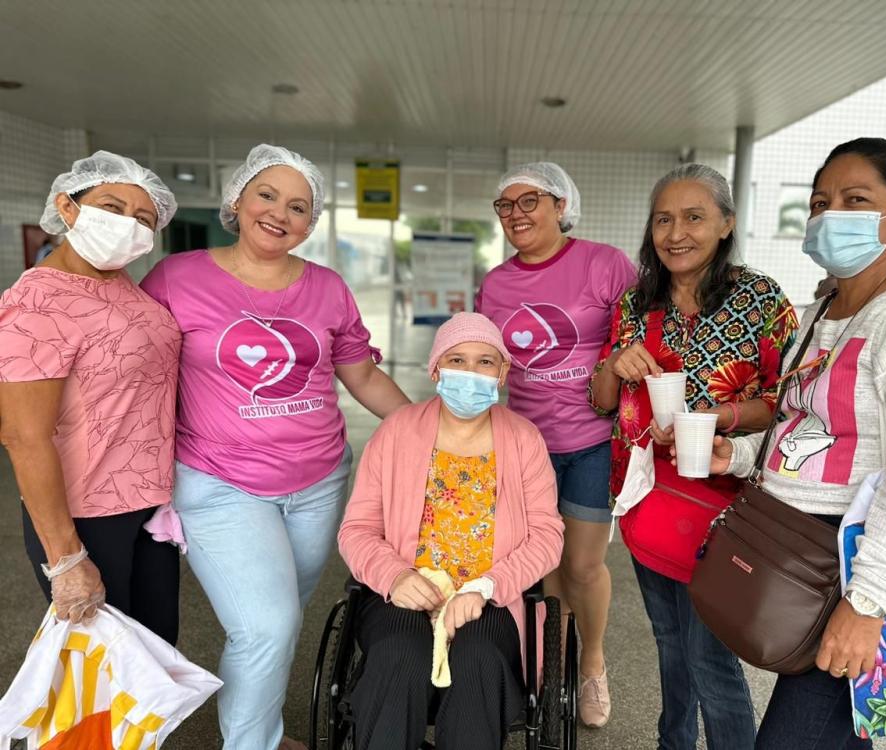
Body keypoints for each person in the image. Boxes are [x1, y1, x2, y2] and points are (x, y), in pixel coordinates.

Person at [701, 138, 886, 749]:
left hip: (856, 565)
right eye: (820, 202)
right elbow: (804, 423)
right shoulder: (817, 312)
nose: (831, 216)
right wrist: (744, 454)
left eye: (856, 200)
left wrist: (868, 603)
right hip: (800, 554)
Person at [140, 144, 410, 750]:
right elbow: (141, 373)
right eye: (267, 195)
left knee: (277, 624)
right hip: (220, 481)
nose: (279, 213)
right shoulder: (175, 277)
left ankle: (262, 731)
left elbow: (360, 373)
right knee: (268, 624)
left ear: (310, 225)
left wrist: (430, 426)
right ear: (237, 199)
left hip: (318, 482)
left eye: (298, 206)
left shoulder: (328, 288)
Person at [589, 163, 797, 749]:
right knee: (669, 644)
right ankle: (672, 742)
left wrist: (720, 419)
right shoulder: (636, 304)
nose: (675, 233)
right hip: (646, 496)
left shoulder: (760, 298)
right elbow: (602, 401)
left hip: (728, 503)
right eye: (663, 219)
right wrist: (614, 364)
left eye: (694, 217)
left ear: (727, 224)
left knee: (711, 658)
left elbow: (787, 398)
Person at [338, 312, 564, 750]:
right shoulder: (396, 432)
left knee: (478, 658)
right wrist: (396, 577)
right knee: (401, 656)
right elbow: (358, 529)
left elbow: (547, 535)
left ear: (502, 374)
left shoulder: (525, 439)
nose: (470, 372)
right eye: (457, 359)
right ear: (436, 369)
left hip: (491, 598)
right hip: (405, 590)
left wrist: (486, 586)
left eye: (485, 361)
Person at [475, 162, 636, 727]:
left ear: (561, 205)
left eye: (529, 201)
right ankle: (550, 667)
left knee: (583, 565)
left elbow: (638, 338)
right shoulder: (496, 284)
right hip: (525, 445)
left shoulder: (604, 263)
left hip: (593, 441)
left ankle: (591, 664)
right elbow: (486, 358)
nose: (515, 214)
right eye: (505, 205)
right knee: (543, 564)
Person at [0, 151, 181, 643]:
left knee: (154, 655)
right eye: (111, 206)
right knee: (102, 670)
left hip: (146, 505)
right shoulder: (37, 301)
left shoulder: (124, 286)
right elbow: (22, 434)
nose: (128, 225)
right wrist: (66, 558)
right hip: (85, 512)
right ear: (67, 207)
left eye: (143, 218)